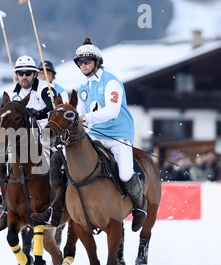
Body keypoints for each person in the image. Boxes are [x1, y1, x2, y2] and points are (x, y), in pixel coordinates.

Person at [32, 37, 147, 232]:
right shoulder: (84, 89)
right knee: (63, 160)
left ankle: (140, 207)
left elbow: (111, 111)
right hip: (95, 135)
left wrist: (84, 120)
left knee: (126, 173)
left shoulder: (112, 82)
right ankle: (56, 211)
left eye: (87, 61)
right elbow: (80, 116)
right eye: (80, 62)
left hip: (119, 135)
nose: (83, 65)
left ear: (97, 62)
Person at [0, 55, 57, 232]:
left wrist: (38, 112)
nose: (24, 76)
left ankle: (59, 205)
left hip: (46, 132)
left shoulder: (44, 88)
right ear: (16, 75)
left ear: (35, 74)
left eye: (28, 73)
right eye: (20, 73)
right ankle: (7, 206)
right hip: (20, 138)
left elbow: (52, 107)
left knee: (60, 159)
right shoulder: (12, 94)